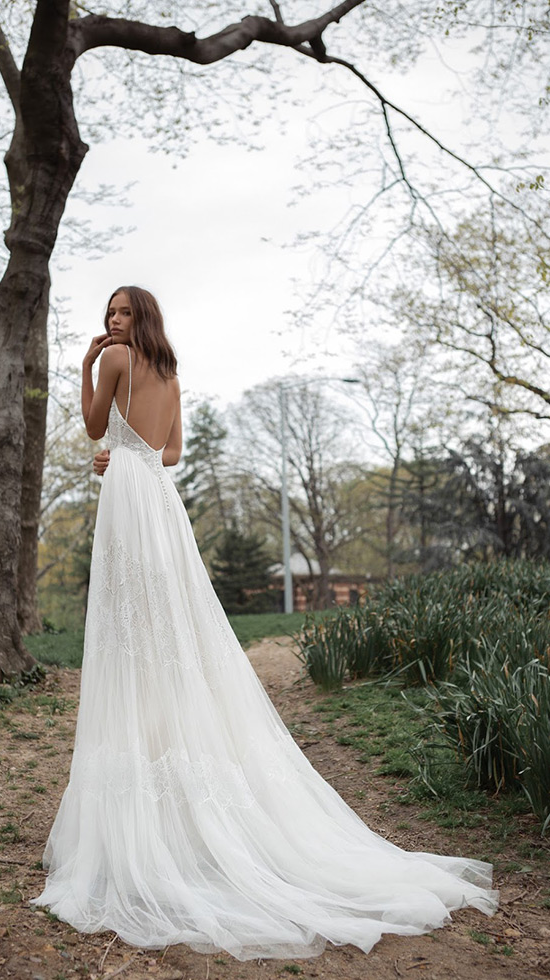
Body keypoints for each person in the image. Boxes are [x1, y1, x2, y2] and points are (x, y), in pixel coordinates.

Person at [30, 285, 498, 961]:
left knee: (133, 635)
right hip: (160, 502)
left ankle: (156, 777)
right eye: (109, 317)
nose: (113, 324)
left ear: (142, 322)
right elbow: (173, 454)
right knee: (166, 633)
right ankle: (171, 758)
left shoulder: (117, 361)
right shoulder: (170, 373)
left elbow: (94, 426)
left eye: (122, 315)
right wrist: (130, 457)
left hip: (131, 503)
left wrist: (86, 370)